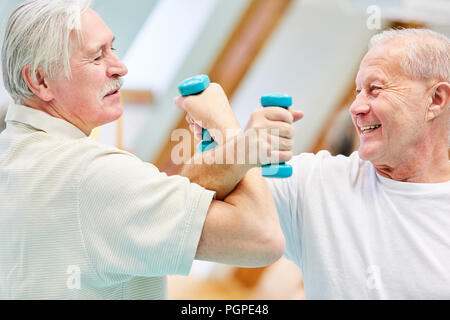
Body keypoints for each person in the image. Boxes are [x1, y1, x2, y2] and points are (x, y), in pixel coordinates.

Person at [0, 0, 302, 299]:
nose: (120, 67)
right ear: (39, 80)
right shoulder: (94, 176)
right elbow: (263, 239)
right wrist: (229, 128)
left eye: (112, 49)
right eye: (96, 57)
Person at [180, 28, 450, 299]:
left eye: (375, 89)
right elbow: (182, 207)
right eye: (358, 92)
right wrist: (234, 139)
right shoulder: (314, 182)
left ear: (435, 100)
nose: (356, 107)